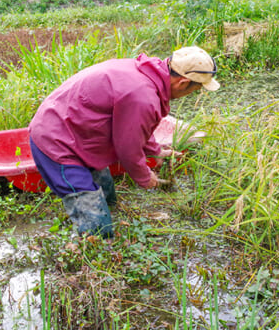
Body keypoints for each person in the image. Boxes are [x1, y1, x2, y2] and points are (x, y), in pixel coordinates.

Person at [28, 46, 220, 239]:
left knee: (107, 195)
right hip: (58, 141)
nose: (193, 93)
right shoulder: (143, 96)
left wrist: (155, 150)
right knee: (96, 225)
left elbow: (133, 125)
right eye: (196, 89)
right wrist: (145, 177)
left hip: (77, 131)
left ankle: (107, 226)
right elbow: (127, 148)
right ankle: (96, 250)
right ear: (183, 82)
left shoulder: (146, 73)